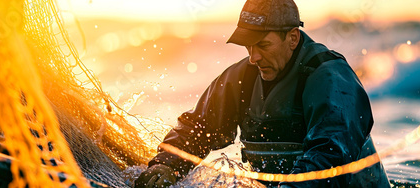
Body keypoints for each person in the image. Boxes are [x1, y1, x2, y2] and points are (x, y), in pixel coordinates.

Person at [135, 0, 390, 187]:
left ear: (292, 38)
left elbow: (331, 149)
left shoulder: (330, 77)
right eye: (249, 46)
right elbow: (199, 127)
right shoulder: (242, 77)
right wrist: (167, 164)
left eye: (263, 45)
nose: (254, 57)